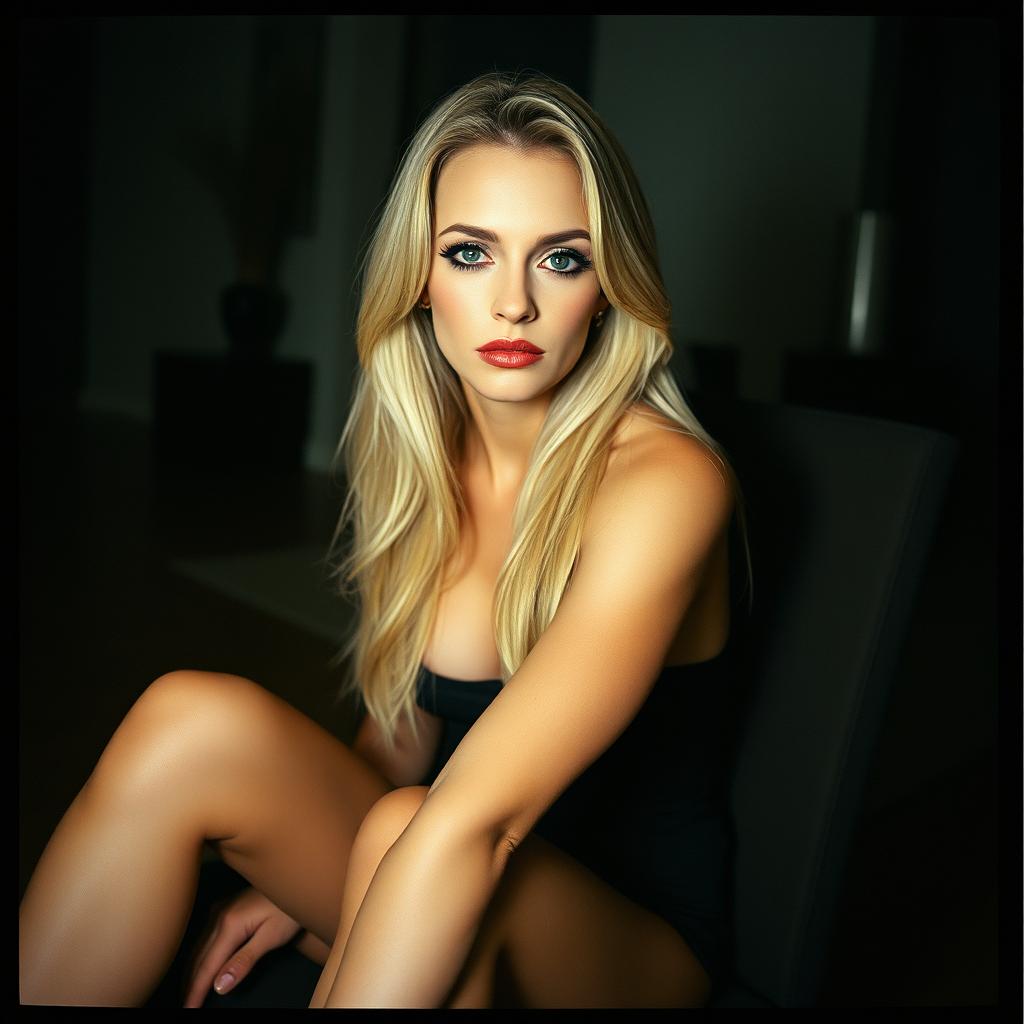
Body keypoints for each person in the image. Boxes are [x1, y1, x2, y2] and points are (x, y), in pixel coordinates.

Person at [19, 69, 753, 1008]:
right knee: (186, 719)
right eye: (471, 253)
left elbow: (475, 827)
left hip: (630, 950)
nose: (514, 304)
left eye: (561, 258)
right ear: (420, 277)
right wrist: (295, 868)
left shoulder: (667, 484)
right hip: (427, 844)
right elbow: (402, 733)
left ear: (609, 286)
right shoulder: (424, 451)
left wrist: (345, 876)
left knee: (410, 828)